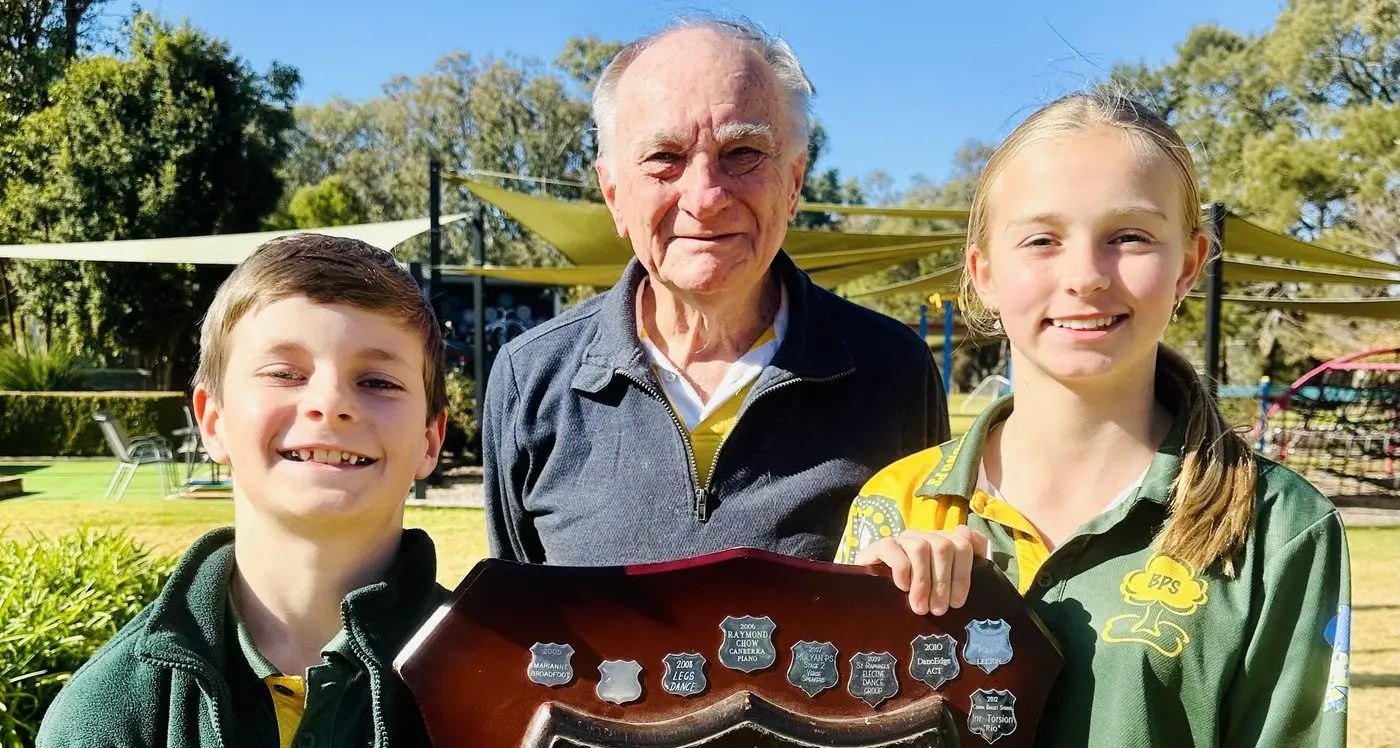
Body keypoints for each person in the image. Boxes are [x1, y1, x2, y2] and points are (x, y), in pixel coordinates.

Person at [838, 90, 1351, 748]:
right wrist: (873, 637)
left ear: (1188, 265)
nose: (1085, 275)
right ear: (984, 273)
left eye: (1128, 236)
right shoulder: (892, 507)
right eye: (1042, 240)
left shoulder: (1280, 529)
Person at [482, 16, 949, 566]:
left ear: (794, 182)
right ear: (613, 194)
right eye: (665, 159)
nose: (704, 197)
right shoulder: (530, 380)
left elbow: (921, 629)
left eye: (742, 152)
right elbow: (518, 624)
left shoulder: (894, 373)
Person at [38, 235, 450, 748]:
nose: (330, 402)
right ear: (214, 421)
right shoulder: (108, 714)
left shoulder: (509, 688)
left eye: (379, 381)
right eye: (283, 373)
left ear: (430, 440)